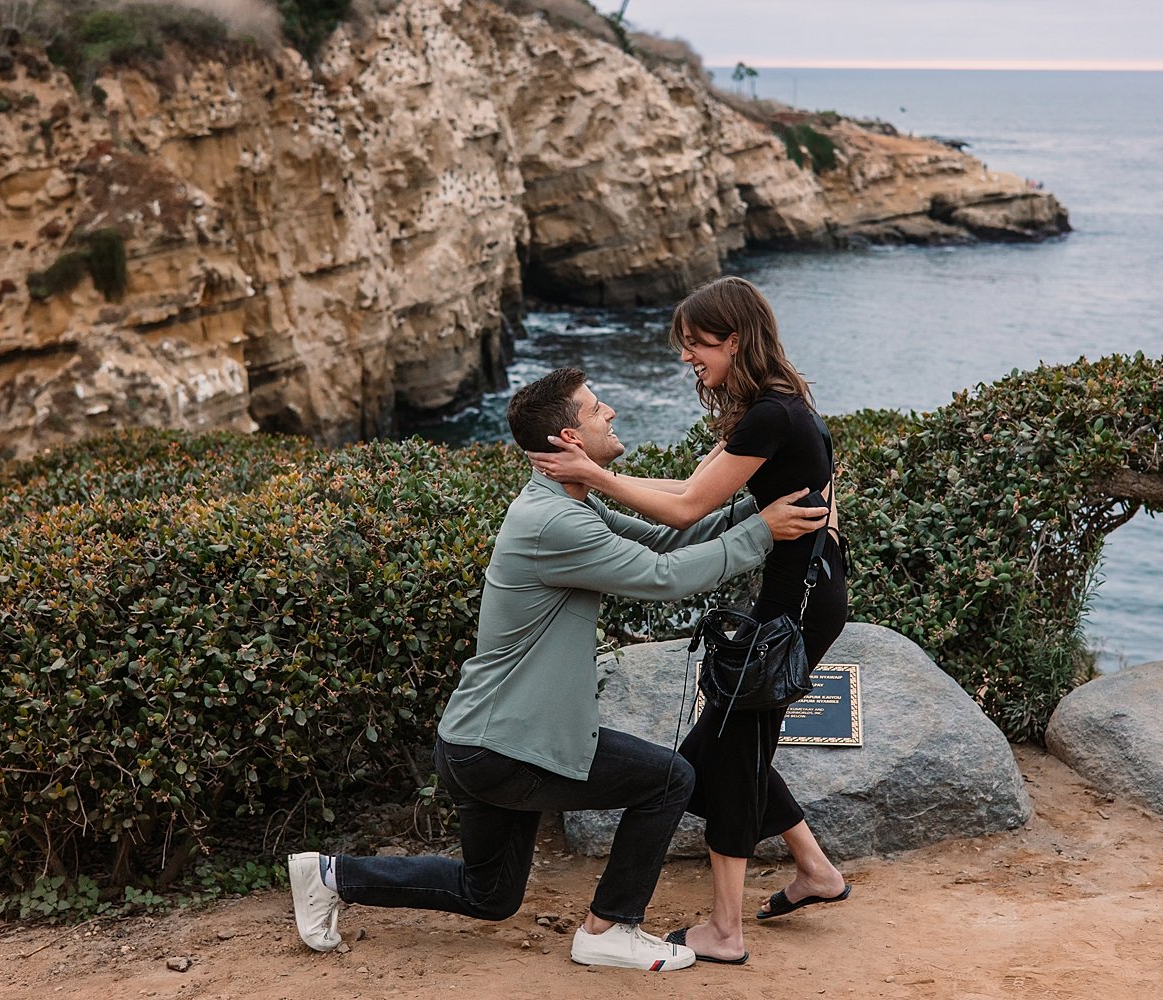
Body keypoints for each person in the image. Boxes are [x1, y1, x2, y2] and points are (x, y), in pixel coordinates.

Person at [287, 367, 828, 972]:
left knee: (489, 894)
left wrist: (764, 515)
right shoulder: (556, 524)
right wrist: (760, 531)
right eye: (597, 410)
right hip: (508, 745)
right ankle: (608, 930)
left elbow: (663, 542)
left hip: (478, 742)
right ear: (570, 440)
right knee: (669, 779)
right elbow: (666, 579)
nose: (612, 414)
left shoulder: (565, 503)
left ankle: (329, 875)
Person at [528, 276, 851, 965]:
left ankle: (725, 932)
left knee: (730, 753)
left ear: (734, 339)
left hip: (793, 605)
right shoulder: (775, 407)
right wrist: (592, 482)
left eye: (696, 344)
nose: (687, 358)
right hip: (806, 592)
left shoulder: (771, 416)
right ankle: (814, 868)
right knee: (721, 747)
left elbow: (683, 514)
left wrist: (594, 473)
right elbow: (688, 493)